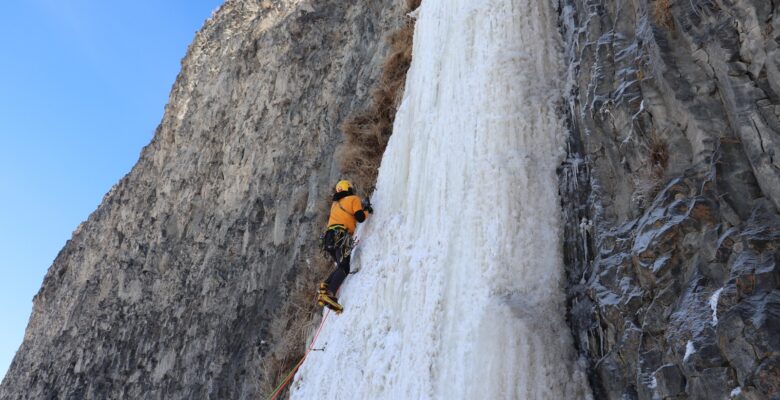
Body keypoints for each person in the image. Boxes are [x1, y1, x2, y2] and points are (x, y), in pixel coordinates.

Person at [317, 179, 372, 313]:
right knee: (344, 267)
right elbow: (360, 218)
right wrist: (367, 210)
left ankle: (325, 285)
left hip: (329, 239)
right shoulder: (353, 199)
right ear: (349, 188)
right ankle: (329, 293)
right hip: (340, 235)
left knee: (341, 264)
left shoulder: (335, 205)